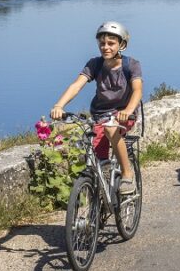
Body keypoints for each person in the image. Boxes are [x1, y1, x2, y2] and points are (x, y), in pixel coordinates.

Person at [51, 21, 143, 194]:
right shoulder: (95, 64)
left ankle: (127, 174)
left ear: (121, 44)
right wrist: (59, 105)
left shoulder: (131, 65)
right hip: (100, 114)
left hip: (124, 113)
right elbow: (76, 86)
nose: (105, 47)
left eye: (111, 43)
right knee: (98, 158)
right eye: (102, 43)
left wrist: (128, 111)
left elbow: (137, 91)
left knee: (111, 130)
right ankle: (101, 193)